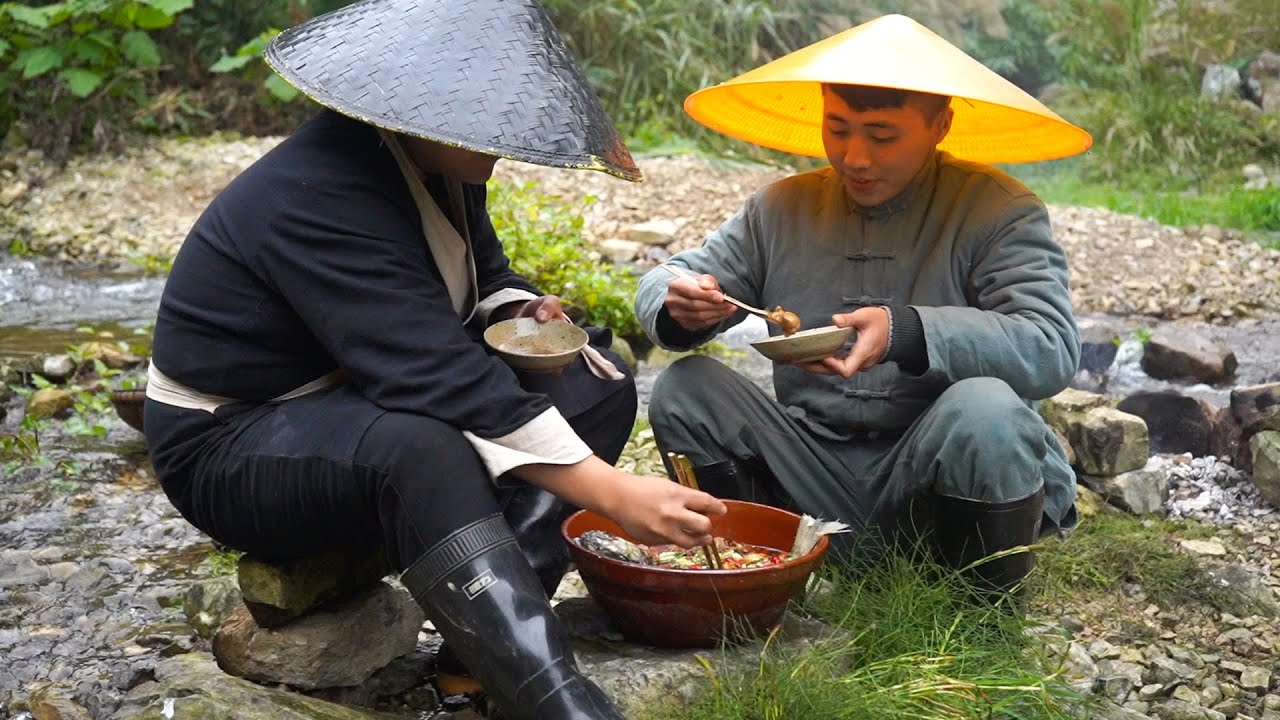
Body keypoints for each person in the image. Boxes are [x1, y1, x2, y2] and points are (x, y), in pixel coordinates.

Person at [142, 1, 724, 718]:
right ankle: (554, 696)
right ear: (424, 105)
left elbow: (483, 276)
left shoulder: (432, 163)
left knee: (594, 384)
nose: (502, 146)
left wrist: (519, 313)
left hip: (351, 398)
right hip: (231, 441)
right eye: (489, 125)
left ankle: (475, 655)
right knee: (419, 449)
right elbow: (433, 372)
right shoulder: (321, 188)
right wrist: (615, 493)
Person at [635, 14, 1093, 595]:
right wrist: (679, 303)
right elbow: (671, 275)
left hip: (935, 468)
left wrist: (907, 331)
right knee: (686, 389)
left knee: (990, 411)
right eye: (838, 128)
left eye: (882, 136)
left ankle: (979, 612)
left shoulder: (999, 211)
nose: (854, 157)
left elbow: (1049, 347)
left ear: (940, 125)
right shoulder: (778, 209)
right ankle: (757, 571)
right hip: (808, 466)